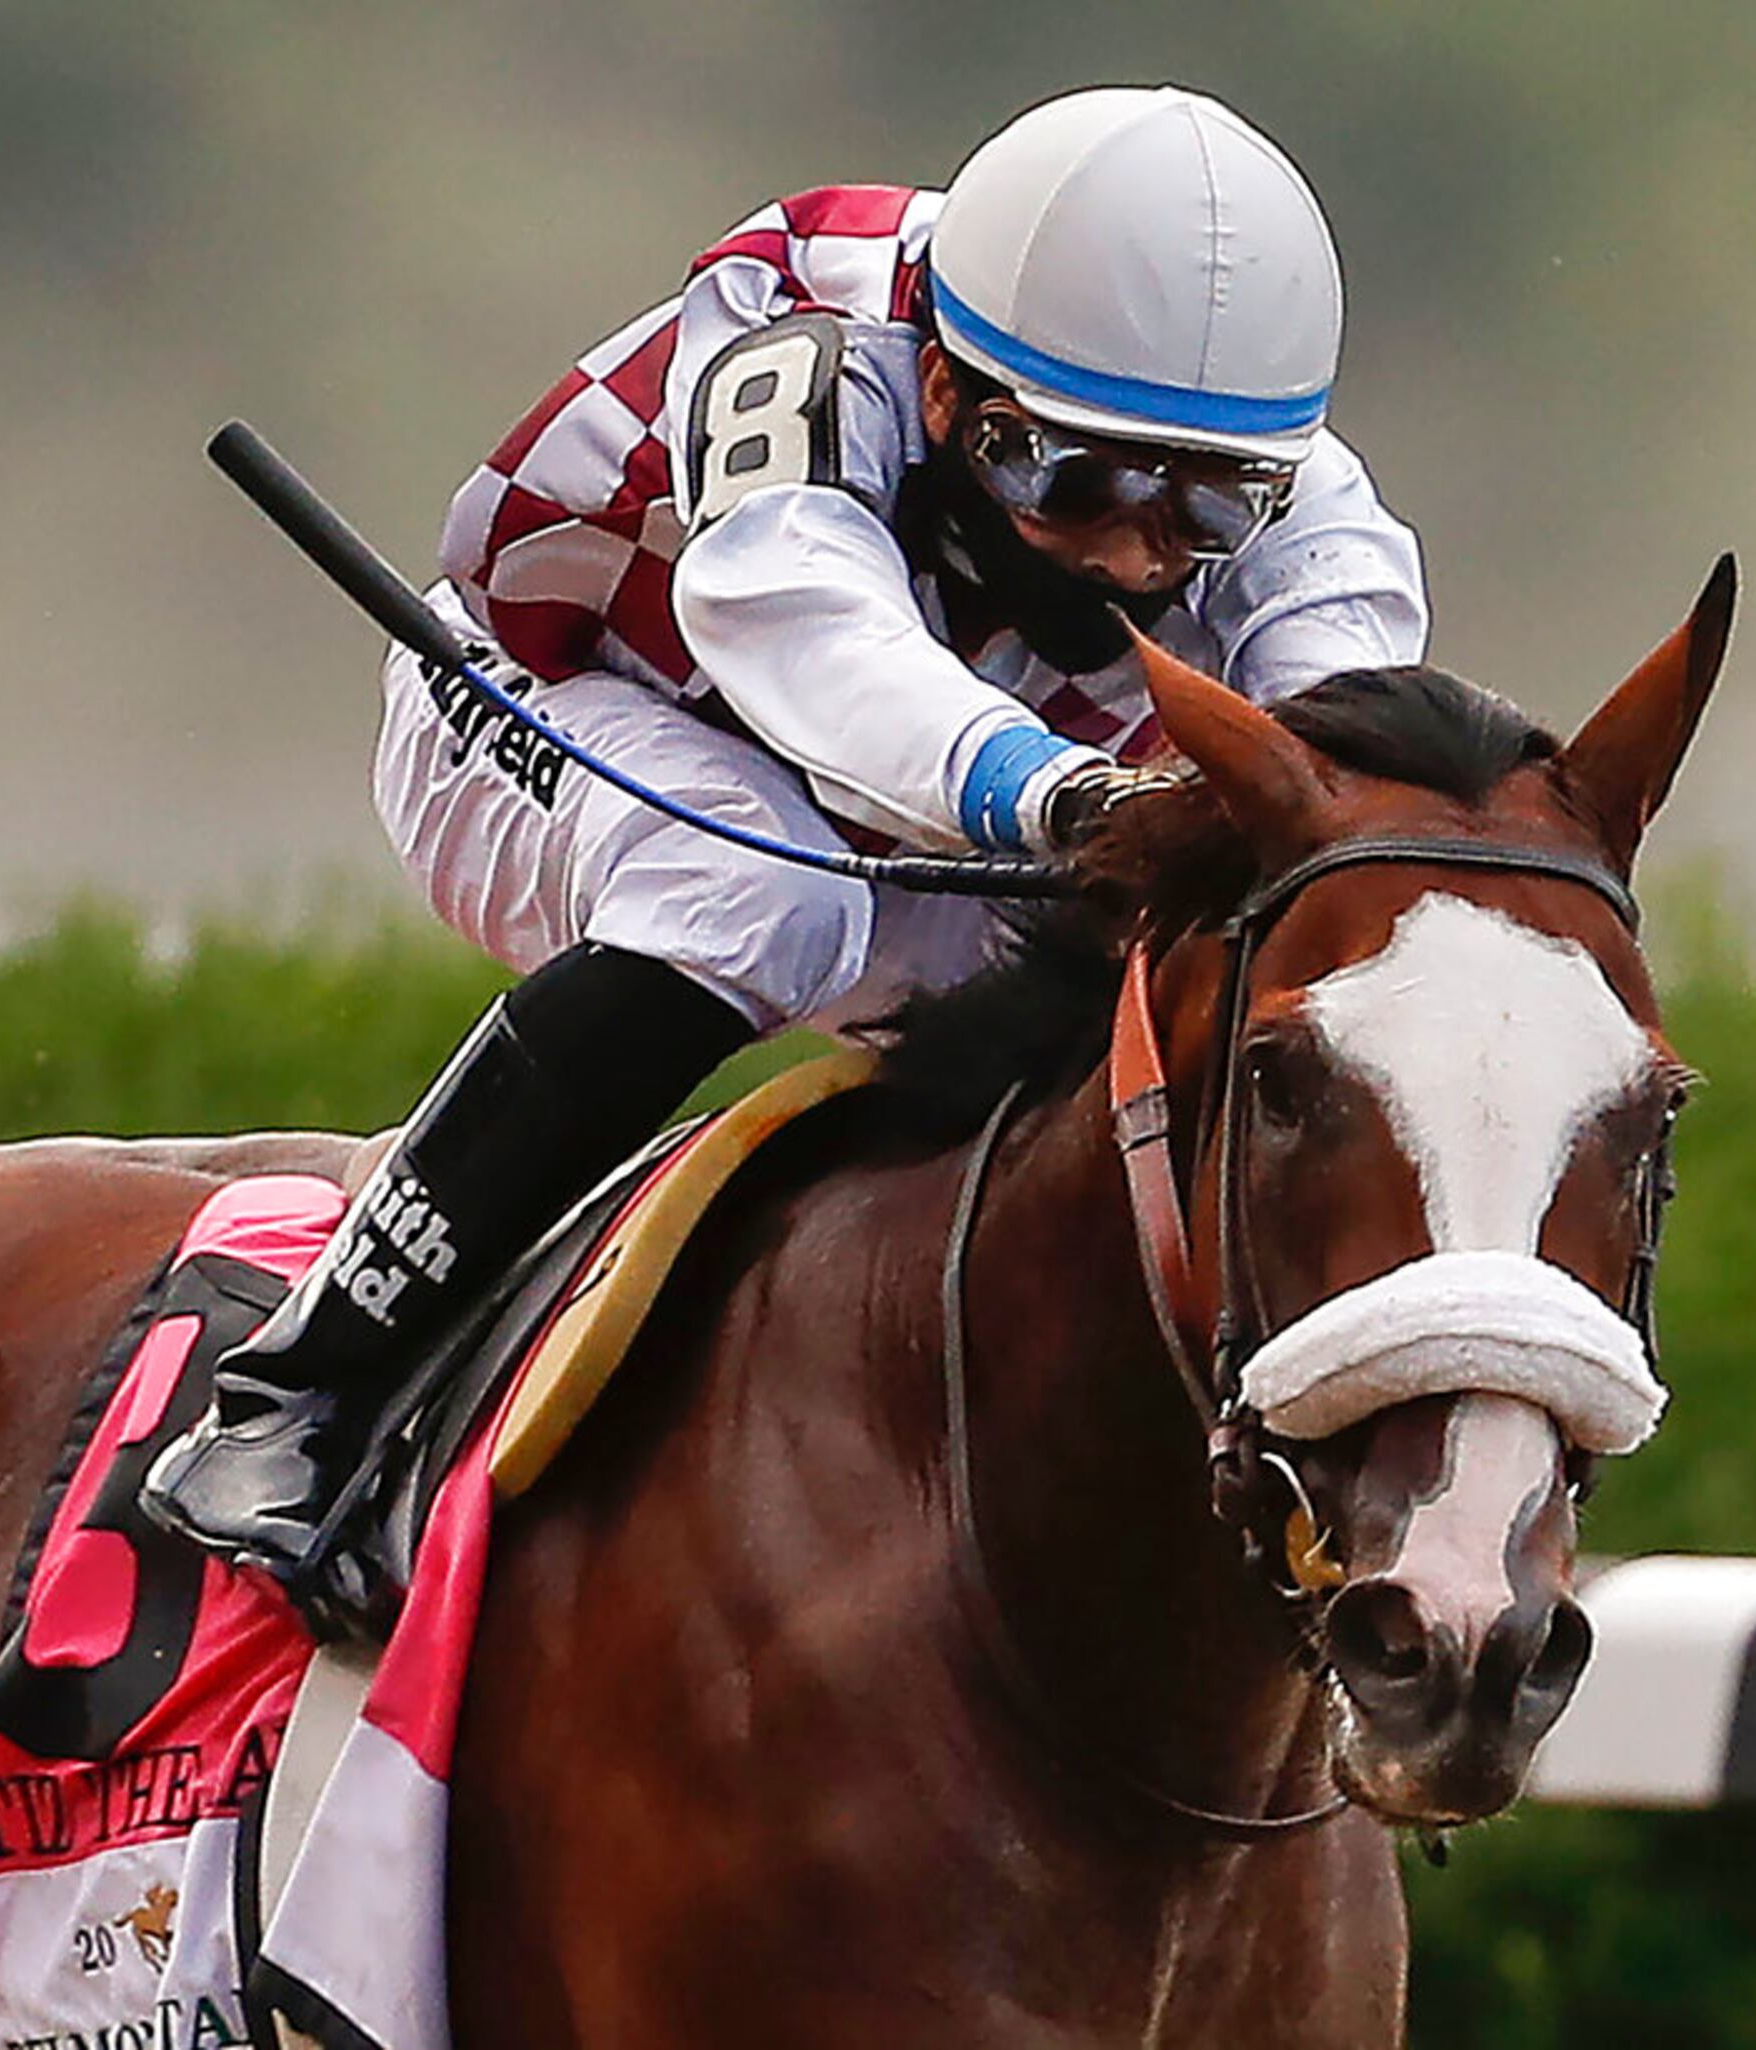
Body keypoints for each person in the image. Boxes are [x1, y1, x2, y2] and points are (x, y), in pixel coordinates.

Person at [142, 84, 1428, 1625]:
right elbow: (796, 617)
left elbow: (1338, 736)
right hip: (558, 694)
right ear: (949, 395)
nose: (1140, 551)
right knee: (763, 887)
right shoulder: (809, 330)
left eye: (1208, 503)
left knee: (1162, 971)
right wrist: (1061, 795)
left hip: (902, 817)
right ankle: (301, 1391)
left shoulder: (1282, 470)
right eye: (1074, 484)